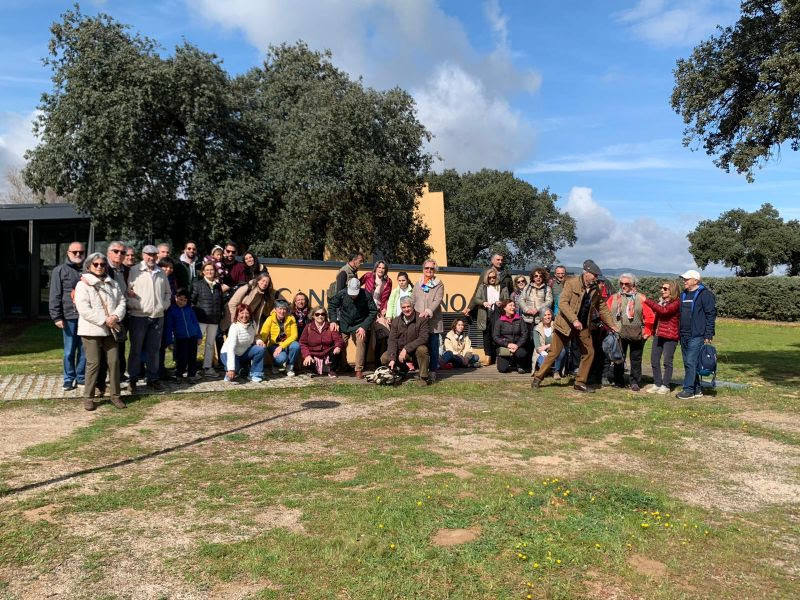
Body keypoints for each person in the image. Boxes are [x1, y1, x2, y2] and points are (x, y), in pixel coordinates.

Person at [531, 260, 618, 393]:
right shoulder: (571, 283)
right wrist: (574, 319)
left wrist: (612, 325)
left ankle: (580, 382)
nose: (596, 278)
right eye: (594, 275)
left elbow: (602, 307)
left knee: (589, 352)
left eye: (596, 276)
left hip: (583, 326)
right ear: (586, 273)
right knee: (554, 353)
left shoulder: (595, 288)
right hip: (566, 324)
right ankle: (538, 378)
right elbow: (563, 303)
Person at [74, 252, 126, 410]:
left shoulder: (113, 283)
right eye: (95, 264)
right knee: (94, 363)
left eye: (102, 264)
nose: (99, 267)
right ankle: (88, 397)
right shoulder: (83, 284)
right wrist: (105, 320)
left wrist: (116, 316)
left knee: (114, 362)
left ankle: (115, 396)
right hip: (92, 330)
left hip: (111, 330)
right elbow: (83, 309)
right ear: (89, 266)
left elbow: (122, 301)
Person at [125, 245, 171, 393]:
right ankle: (133, 379)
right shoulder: (134, 271)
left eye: (154, 255)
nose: (151, 257)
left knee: (154, 350)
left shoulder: (160, 272)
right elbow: (127, 292)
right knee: (136, 349)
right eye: (148, 255)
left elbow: (167, 293)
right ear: (143, 255)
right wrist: (136, 305)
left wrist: (163, 306)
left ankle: (153, 378)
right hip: (139, 316)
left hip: (157, 316)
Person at [606, 273, 655, 392]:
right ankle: (618, 381)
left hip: (636, 332)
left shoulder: (641, 298)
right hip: (618, 332)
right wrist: (609, 329)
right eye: (621, 283)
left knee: (636, 359)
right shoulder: (614, 298)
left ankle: (635, 382)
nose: (623, 286)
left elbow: (650, 316)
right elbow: (606, 314)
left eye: (626, 284)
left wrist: (647, 332)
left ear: (633, 284)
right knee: (618, 358)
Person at [49, 241, 86, 391]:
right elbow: (54, 295)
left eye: (81, 252)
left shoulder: (89, 269)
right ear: (68, 253)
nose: (78, 255)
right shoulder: (60, 270)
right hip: (69, 316)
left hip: (86, 318)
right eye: (74, 252)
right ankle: (69, 378)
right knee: (69, 350)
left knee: (84, 351)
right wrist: (56, 317)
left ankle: (81, 377)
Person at [675, 269, 716, 400]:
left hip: (697, 335)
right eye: (684, 279)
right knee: (689, 363)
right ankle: (697, 389)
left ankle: (688, 390)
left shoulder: (705, 295)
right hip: (684, 334)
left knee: (690, 362)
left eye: (687, 279)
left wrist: (708, 334)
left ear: (696, 281)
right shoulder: (683, 295)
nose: (684, 281)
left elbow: (711, 315)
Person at [328, 277, 378, 378]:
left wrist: (364, 326)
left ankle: (359, 369)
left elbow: (373, 311)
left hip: (360, 324)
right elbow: (332, 305)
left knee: (361, 340)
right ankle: (343, 365)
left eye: (355, 293)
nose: (353, 295)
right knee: (341, 342)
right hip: (344, 323)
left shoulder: (366, 295)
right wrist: (333, 320)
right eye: (351, 293)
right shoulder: (342, 294)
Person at [381, 296, 431, 385]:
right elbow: (392, 340)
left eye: (408, 306)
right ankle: (402, 370)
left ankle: (423, 377)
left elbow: (424, 338)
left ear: (413, 306)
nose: (406, 309)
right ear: (401, 308)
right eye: (404, 307)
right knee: (385, 358)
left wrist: (406, 349)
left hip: (415, 352)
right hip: (400, 352)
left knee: (423, 349)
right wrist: (392, 358)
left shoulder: (421, 319)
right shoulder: (396, 321)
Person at [643, 280, 681, 394]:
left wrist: (646, 300)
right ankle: (657, 383)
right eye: (662, 288)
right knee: (654, 360)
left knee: (667, 361)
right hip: (659, 334)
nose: (662, 290)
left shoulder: (676, 303)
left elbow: (664, 312)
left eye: (665, 289)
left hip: (670, 336)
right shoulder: (662, 302)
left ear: (672, 290)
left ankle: (666, 385)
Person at [467, 267, 507, 366]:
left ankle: (499, 358)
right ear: (487, 278)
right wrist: (483, 302)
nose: (492, 279)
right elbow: (476, 299)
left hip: (498, 313)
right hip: (485, 313)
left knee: (498, 336)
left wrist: (501, 302)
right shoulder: (483, 286)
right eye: (490, 278)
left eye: (493, 277)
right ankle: (488, 357)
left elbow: (507, 299)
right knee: (486, 336)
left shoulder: (502, 286)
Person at [191, 262, 224, 377]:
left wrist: (220, 314)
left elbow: (221, 302)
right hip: (201, 319)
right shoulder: (197, 284)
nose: (210, 272)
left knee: (210, 344)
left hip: (214, 320)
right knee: (196, 343)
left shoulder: (217, 286)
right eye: (207, 270)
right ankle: (192, 369)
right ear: (203, 272)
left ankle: (207, 367)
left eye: (212, 270)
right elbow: (192, 301)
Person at [413, 259, 445, 375]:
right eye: (427, 268)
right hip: (419, 320)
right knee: (421, 347)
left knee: (433, 348)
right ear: (423, 269)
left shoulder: (439, 283)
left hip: (433, 321)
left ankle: (433, 371)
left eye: (431, 268)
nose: (429, 270)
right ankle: (422, 371)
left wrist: (428, 310)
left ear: (435, 270)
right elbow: (413, 299)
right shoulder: (418, 283)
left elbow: (438, 300)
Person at [164, 288, 203, 382]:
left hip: (192, 337)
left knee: (192, 357)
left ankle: (191, 375)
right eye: (180, 299)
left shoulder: (190, 309)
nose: (182, 302)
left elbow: (195, 323)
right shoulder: (171, 311)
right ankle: (179, 374)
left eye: (185, 300)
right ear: (175, 298)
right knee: (181, 357)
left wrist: (199, 336)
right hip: (180, 338)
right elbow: (169, 327)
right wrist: (169, 341)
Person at [221, 304, 266, 383]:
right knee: (235, 371)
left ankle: (254, 374)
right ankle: (229, 373)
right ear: (237, 314)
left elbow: (255, 336)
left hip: (243, 352)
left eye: (247, 313)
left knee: (260, 349)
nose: (244, 316)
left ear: (250, 314)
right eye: (241, 313)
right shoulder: (234, 327)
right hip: (228, 352)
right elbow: (231, 348)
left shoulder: (253, 324)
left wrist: (259, 341)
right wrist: (231, 368)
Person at [360, 260, 392, 363]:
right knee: (366, 336)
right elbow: (357, 285)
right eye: (379, 267)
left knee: (381, 335)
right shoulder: (368, 276)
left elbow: (387, 297)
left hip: (378, 311)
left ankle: (378, 362)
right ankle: (363, 362)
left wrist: (385, 308)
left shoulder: (388, 281)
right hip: (366, 310)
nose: (381, 270)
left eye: (383, 268)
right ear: (376, 268)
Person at [299, 307, 345, 377]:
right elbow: (302, 343)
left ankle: (332, 371)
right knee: (307, 359)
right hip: (313, 354)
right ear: (313, 316)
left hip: (327, 354)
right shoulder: (308, 327)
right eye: (317, 314)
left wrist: (338, 347)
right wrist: (307, 355)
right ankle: (311, 371)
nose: (320, 316)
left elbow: (338, 339)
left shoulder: (330, 326)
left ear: (325, 316)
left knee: (337, 351)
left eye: (322, 314)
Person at [260, 299, 300, 377]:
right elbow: (264, 334)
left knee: (296, 345)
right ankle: (276, 365)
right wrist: (261, 342)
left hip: (286, 344)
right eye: (280, 308)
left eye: (284, 309)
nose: (282, 311)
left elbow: (294, 336)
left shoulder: (291, 319)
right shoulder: (270, 319)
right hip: (274, 345)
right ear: (275, 309)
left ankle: (289, 367)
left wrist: (282, 346)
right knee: (281, 358)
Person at [493, 299, 529, 374]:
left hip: (518, 346)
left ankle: (519, 365)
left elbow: (524, 334)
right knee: (502, 369)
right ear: (504, 308)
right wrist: (508, 344)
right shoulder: (499, 321)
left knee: (522, 353)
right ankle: (508, 361)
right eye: (510, 305)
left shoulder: (520, 319)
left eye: (514, 306)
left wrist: (517, 345)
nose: (513, 307)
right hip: (505, 347)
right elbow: (496, 337)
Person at [156, 256, 178, 379]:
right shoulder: (157, 278)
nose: (168, 269)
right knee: (156, 344)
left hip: (168, 314)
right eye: (165, 267)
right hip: (158, 313)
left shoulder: (172, 279)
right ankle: (154, 370)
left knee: (164, 342)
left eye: (170, 267)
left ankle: (161, 369)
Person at [532, 307, 566, 379]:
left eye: (549, 314)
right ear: (541, 317)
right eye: (545, 315)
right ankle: (547, 370)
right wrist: (545, 354)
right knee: (543, 365)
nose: (547, 317)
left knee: (562, 350)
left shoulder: (557, 327)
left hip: (555, 350)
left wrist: (547, 346)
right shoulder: (536, 329)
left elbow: (560, 343)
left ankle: (556, 371)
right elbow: (538, 347)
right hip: (542, 353)